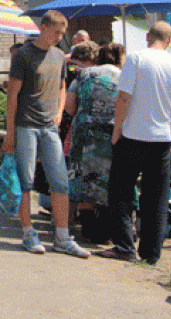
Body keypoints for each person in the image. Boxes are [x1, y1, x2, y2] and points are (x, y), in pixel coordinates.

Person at [96, 21, 171, 264]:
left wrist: (116, 130)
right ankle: (151, 252)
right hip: (161, 139)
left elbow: (124, 97)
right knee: (156, 198)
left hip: (133, 135)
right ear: (170, 41)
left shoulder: (137, 58)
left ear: (148, 37)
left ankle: (124, 245)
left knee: (120, 190)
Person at [1, 10, 90, 258]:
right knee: (26, 181)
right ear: (43, 28)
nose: (60, 37)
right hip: (25, 125)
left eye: (62, 33)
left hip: (50, 127)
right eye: (56, 32)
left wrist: (60, 111)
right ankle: (28, 232)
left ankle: (62, 237)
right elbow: (12, 97)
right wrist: (10, 132)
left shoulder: (60, 56)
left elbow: (62, 86)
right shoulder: (23, 56)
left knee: (60, 181)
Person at [65, 43, 124, 235]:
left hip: (85, 135)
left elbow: (69, 107)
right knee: (108, 179)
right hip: (113, 132)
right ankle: (106, 231)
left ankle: (89, 230)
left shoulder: (85, 74)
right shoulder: (124, 76)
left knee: (84, 179)